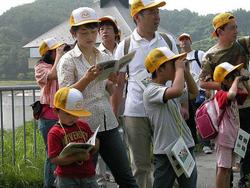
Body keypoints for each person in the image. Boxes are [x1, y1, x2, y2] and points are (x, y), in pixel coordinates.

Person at [57, 7, 138, 188]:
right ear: (73, 33)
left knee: (126, 177)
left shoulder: (104, 55)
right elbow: (65, 96)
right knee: (84, 179)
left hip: (108, 121)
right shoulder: (68, 60)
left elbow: (106, 89)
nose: (90, 36)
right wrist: (86, 79)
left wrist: (113, 81)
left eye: (93, 31)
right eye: (84, 32)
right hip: (82, 128)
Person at [113, 1, 179, 187]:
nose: (157, 17)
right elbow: (118, 85)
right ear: (137, 17)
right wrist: (114, 113)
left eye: (157, 12)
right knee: (140, 165)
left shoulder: (167, 41)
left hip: (165, 110)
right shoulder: (125, 46)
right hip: (136, 113)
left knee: (170, 159)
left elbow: (177, 76)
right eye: (151, 12)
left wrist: (182, 105)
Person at [199, 12, 250, 188]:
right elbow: (203, 83)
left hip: (245, 104)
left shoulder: (243, 44)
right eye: (232, 28)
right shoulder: (210, 55)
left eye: (236, 27)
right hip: (226, 108)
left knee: (246, 145)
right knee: (226, 154)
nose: (236, 31)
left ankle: (245, 180)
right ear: (220, 31)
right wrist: (226, 88)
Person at [143, 47, 198, 188]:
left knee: (189, 185)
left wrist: (185, 72)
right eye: (172, 63)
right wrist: (179, 70)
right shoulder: (151, 91)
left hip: (185, 146)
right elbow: (177, 90)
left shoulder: (169, 87)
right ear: (160, 69)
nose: (176, 66)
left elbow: (193, 92)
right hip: (166, 151)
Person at [47, 87, 99, 188]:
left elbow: (91, 150)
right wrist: (77, 157)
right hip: (67, 178)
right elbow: (54, 160)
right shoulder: (54, 133)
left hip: (88, 174)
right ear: (56, 111)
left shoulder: (83, 126)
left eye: (76, 115)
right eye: (68, 114)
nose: (73, 118)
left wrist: (96, 145)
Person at [212, 62, 249, 188]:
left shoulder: (231, 92)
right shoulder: (220, 94)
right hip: (224, 137)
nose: (235, 79)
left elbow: (244, 94)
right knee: (222, 169)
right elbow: (231, 95)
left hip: (231, 136)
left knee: (228, 170)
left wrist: (240, 80)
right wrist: (237, 80)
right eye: (232, 77)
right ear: (225, 81)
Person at [35, 37, 65, 188]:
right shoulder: (41, 67)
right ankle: (49, 185)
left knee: (64, 154)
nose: (58, 52)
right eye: (55, 50)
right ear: (48, 53)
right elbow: (52, 75)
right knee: (52, 155)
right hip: (48, 118)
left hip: (63, 116)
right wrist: (60, 56)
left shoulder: (61, 64)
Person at [178, 33, 213, 154]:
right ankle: (193, 144)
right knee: (189, 119)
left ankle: (206, 144)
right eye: (181, 40)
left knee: (202, 118)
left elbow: (207, 71)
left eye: (186, 39)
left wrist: (208, 88)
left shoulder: (199, 54)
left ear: (190, 41)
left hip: (200, 92)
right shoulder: (179, 58)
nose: (184, 42)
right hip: (186, 93)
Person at [97, 15, 120, 186]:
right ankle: (101, 176)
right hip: (104, 103)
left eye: (108, 29)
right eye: (102, 29)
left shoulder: (123, 50)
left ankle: (120, 174)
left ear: (116, 32)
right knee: (102, 138)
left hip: (124, 100)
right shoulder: (96, 54)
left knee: (124, 139)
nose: (105, 32)